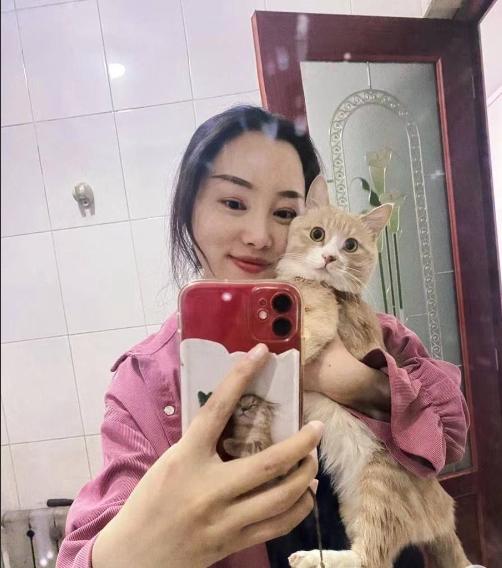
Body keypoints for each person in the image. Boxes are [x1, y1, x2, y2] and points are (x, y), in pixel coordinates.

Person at [56, 106, 469, 568]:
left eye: (285, 212)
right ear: (189, 211)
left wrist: (355, 381)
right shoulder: (150, 380)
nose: (259, 236)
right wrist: (145, 546)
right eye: (233, 203)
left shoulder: (374, 329)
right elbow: (81, 553)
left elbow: (450, 434)